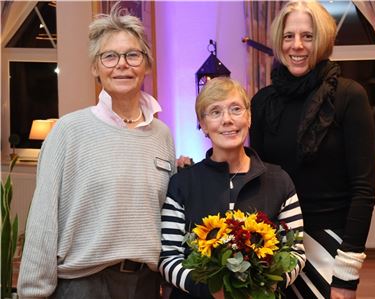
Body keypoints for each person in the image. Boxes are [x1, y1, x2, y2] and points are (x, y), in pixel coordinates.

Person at [17, 4, 176, 299]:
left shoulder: (162, 136)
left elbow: (168, 218)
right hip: (83, 285)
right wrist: (33, 293)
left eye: (132, 55)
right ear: (95, 68)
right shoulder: (68, 131)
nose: (122, 64)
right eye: (110, 56)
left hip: (145, 286)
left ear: (147, 65)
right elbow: (43, 219)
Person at [249, 1, 375, 299]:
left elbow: (363, 191)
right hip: (276, 247)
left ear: (323, 40)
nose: (297, 46)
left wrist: (347, 273)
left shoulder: (349, 97)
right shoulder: (262, 101)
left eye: (307, 36)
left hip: (331, 246)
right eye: (289, 36)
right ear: (278, 41)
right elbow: (258, 183)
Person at [159, 77, 306, 299]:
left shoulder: (279, 181)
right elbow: (168, 256)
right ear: (203, 124)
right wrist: (212, 290)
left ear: (249, 117)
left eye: (236, 109)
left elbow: (296, 252)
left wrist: (264, 285)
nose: (227, 120)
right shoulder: (182, 184)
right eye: (215, 112)